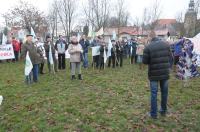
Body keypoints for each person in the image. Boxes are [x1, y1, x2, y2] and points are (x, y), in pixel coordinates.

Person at [143, 32, 172, 119]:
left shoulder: (148, 47)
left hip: (154, 74)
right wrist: (168, 67)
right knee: (164, 93)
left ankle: (154, 114)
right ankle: (163, 111)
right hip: (165, 73)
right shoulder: (166, 45)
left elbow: (145, 62)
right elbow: (171, 58)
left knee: (154, 94)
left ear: (149, 37)